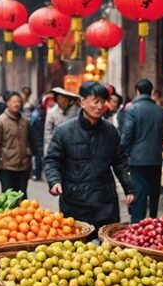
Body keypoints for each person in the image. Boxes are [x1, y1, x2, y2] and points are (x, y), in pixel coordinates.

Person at [45, 82, 134, 229]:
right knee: (75, 247)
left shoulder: (110, 131)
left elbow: (120, 162)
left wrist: (129, 188)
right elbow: (52, 160)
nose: (100, 107)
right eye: (96, 101)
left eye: (103, 102)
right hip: (74, 202)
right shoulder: (64, 131)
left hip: (104, 202)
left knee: (106, 248)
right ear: (82, 102)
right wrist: (54, 181)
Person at [120, 79, 163, 222]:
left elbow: (127, 135)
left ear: (137, 91)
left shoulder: (132, 110)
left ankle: (137, 225)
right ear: (151, 92)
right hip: (155, 158)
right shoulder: (161, 111)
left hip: (137, 159)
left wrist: (124, 154)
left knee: (140, 193)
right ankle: (153, 224)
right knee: (155, 193)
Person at [0, 91, 32, 198]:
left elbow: (30, 140)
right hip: (6, 166)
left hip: (23, 166)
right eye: (13, 102)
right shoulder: (0, 121)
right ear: (7, 103)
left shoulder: (25, 121)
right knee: (8, 199)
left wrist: (29, 155)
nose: (16, 104)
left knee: (22, 198)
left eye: (18, 101)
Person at [44, 87, 80, 154]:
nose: (59, 101)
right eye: (58, 99)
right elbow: (47, 135)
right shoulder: (52, 113)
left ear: (69, 100)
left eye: (61, 99)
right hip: (57, 148)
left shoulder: (78, 111)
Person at [29, 95, 49, 181]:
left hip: (44, 137)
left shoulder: (47, 112)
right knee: (38, 156)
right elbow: (31, 126)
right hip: (38, 137)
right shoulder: (37, 113)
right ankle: (37, 173)